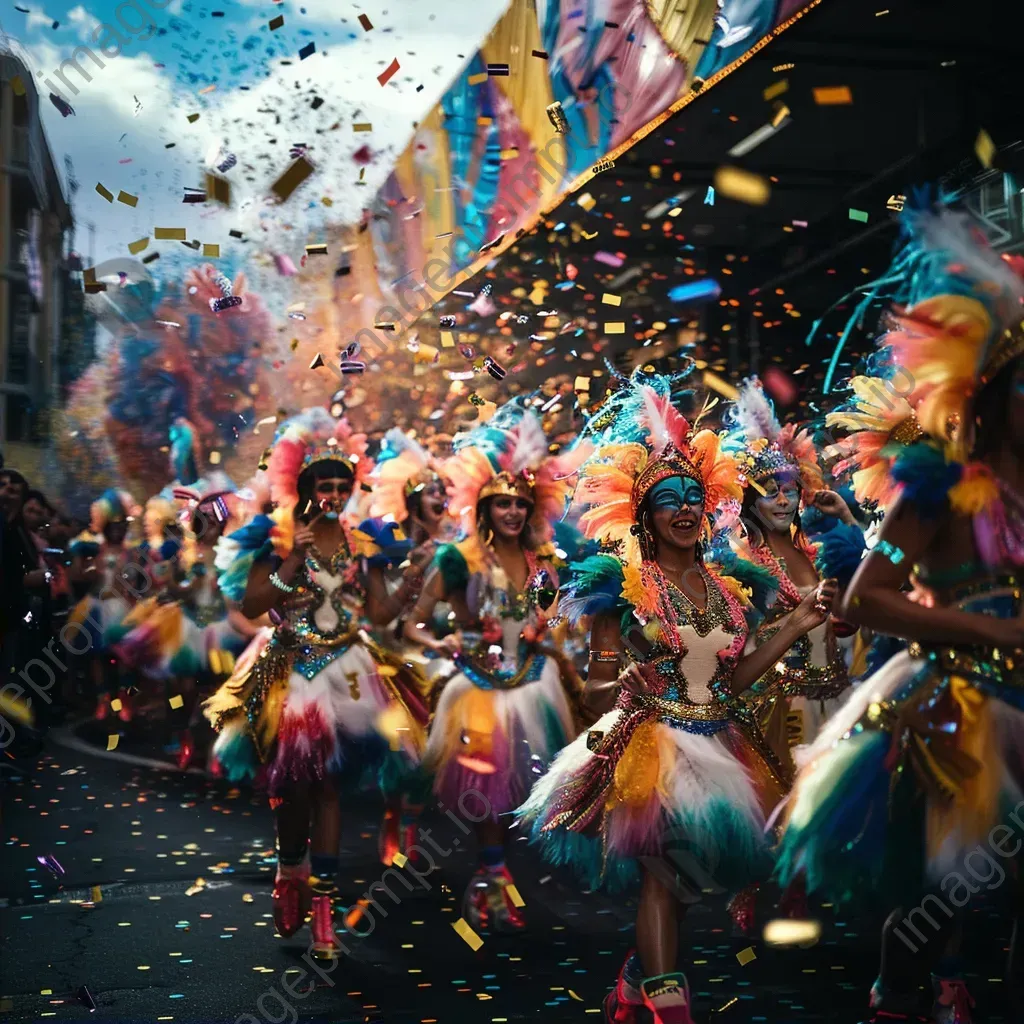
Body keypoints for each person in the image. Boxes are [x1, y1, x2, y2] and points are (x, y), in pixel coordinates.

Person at [776, 206, 1024, 1024]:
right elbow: (866, 598)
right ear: (992, 396)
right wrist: (987, 630)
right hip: (959, 709)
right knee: (930, 901)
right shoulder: (940, 483)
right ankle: (898, 997)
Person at [518, 384, 835, 1024]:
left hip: (721, 741)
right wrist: (626, 681)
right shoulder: (622, 588)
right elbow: (596, 690)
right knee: (663, 879)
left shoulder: (729, 586)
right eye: (668, 501)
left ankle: (636, 976)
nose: (685, 510)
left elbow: (735, 679)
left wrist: (798, 625)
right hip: (653, 745)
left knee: (696, 880)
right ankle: (670, 1008)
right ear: (645, 516)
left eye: (694, 497)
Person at [203, 408, 427, 960]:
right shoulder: (275, 535)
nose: (332, 493)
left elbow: (377, 610)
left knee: (330, 787)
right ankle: (290, 865)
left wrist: (413, 580)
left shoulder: (366, 539)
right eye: (322, 484)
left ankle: (324, 913)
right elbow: (254, 605)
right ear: (303, 487)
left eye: (340, 485)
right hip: (291, 672)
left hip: (350, 673)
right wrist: (295, 557)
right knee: (294, 790)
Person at [403, 403, 583, 932]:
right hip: (476, 686)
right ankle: (491, 875)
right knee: (485, 789)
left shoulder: (542, 561)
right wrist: (444, 640)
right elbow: (415, 623)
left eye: (519, 505)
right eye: (501, 504)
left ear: (531, 510)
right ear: (483, 508)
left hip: (532, 683)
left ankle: (496, 873)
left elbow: (554, 617)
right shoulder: (458, 560)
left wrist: (547, 629)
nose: (511, 513)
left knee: (517, 789)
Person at [720, 378, 860, 774]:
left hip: (836, 696)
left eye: (790, 490)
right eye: (769, 491)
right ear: (748, 499)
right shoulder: (739, 558)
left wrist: (848, 520)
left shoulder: (811, 547)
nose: (783, 500)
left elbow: (853, 605)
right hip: (781, 710)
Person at [360, 428, 455, 867]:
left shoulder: (456, 549)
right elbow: (378, 613)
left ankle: (412, 820)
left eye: (444, 492)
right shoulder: (387, 542)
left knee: (430, 751)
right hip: (387, 656)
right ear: (414, 501)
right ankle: (393, 816)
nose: (440, 499)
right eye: (431, 492)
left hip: (430, 656)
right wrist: (413, 574)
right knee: (399, 748)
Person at [67, 490, 141, 721]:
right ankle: (103, 700)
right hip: (98, 606)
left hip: (122, 608)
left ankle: (123, 700)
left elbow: (138, 582)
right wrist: (89, 570)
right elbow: (77, 576)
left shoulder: (133, 552)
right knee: (96, 656)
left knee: (124, 658)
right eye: (113, 525)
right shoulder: (93, 549)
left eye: (121, 526)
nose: (117, 530)